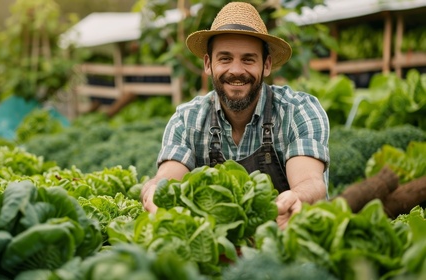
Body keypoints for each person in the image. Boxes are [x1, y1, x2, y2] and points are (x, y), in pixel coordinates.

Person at [141, 2, 330, 229]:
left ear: (266, 65)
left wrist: (298, 197)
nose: (237, 70)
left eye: (248, 59)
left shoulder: (298, 110)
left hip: (289, 238)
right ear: (208, 64)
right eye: (225, 58)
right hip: (218, 251)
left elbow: (310, 181)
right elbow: (167, 177)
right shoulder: (187, 120)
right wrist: (153, 190)